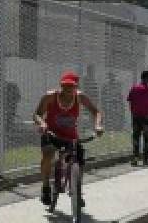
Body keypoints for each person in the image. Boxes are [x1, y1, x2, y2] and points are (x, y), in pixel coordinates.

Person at [33, 71, 104, 206]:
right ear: (61, 85)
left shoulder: (80, 97)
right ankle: (46, 186)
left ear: (76, 87)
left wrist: (98, 125)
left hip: (70, 136)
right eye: (65, 85)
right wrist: (42, 123)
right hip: (51, 134)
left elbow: (96, 111)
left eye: (71, 86)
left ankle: (76, 190)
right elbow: (37, 114)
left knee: (79, 159)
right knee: (48, 155)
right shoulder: (50, 97)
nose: (67, 89)